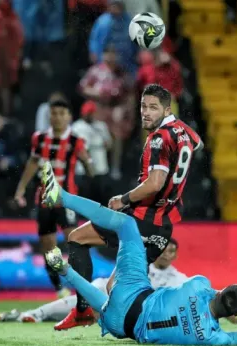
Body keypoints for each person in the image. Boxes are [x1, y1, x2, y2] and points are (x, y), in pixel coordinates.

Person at [40, 165, 237, 346]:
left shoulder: (200, 285)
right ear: (229, 316)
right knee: (108, 305)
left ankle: (61, 197)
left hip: (134, 294)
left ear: (219, 292)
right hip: (124, 328)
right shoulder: (213, 337)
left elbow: (204, 291)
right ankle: (65, 271)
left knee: (127, 226)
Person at [55, 84, 203, 331]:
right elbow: (196, 145)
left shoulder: (158, 138)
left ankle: (83, 310)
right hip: (163, 227)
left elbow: (154, 183)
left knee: (77, 238)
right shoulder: (184, 132)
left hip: (139, 220)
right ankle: (161, 324)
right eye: (143, 106)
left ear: (166, 109)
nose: (146, 112)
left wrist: (123, 199)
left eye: (153, 108)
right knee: (116, 288)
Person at [0, 238, 194, 323]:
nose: (167, 254)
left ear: (176, 256)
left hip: (124, 312)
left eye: (171, 251)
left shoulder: (178, 279)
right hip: (103, 293)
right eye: (164, 249)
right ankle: (31, 314)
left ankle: (37, 315)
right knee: (78, 301)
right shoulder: (138, 263)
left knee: (79, 309)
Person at [14, 98, 94, 299]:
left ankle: (83, 289)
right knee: (49, 248)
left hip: (66, 200)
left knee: (74, 242)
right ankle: (59, 289)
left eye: (61, 113)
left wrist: (89, 163)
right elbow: (32, 164)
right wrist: (21, 189)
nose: (57, 117)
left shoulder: (76, 141)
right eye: (54, 113)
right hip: (44, 201)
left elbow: (91, 168)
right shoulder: (40, 139)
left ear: (69, 117)